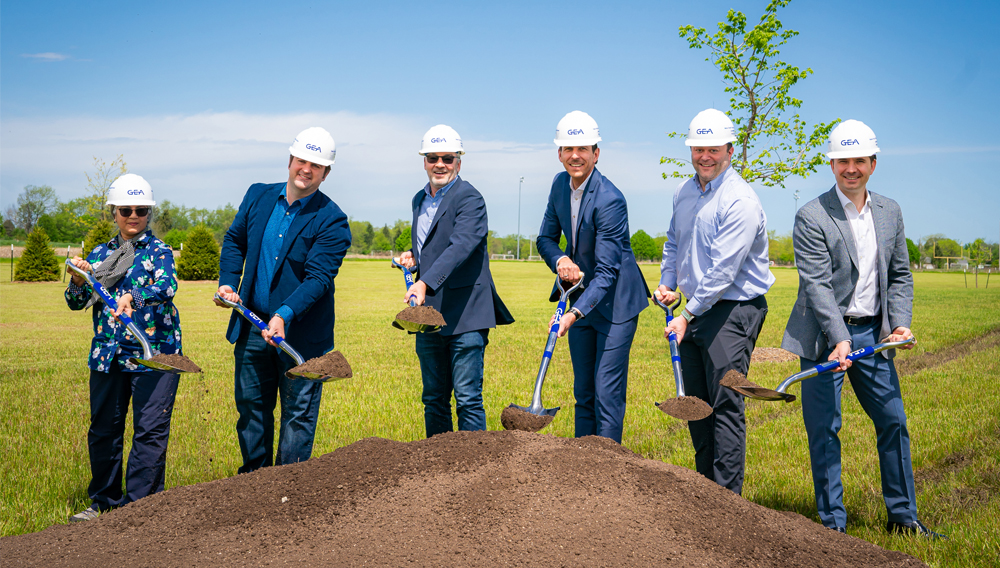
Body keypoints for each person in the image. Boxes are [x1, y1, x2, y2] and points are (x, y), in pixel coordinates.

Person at [781, 120, 943, 538]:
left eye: (859, 160)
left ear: (872, 163)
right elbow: (816, 287)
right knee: (825, 429)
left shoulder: (890, 211)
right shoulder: (811, 215)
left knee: (893, 420)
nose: (850, 168)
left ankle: (904, 518)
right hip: (822, 337)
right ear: (831, 164)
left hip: (874, 335)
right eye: (842, 161)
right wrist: (839, 339)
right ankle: (832, 526)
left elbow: (901, 274)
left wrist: (901, 323)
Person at [215, 127, 351, 474]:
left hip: (300, 337)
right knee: (251, 411)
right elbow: (234, 241)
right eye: (302, 160)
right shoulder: (258, 196)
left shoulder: (332, 220)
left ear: (326, 173)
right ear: (290, 160)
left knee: (297, 419)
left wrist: (284, 315)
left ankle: (286, 491)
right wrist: (229, 284)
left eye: (316, 165)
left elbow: (318, 279)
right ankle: (254, 482)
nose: (306, 169)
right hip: (251, 326)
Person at [656, 109, 774, 495]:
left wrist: (687, 314)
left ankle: (727, 501)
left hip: (733, 311)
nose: (704, 156)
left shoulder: (740, 200)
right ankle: (704, 492)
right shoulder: (684, 191)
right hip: (697, 309)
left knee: (725, 404)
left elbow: (723, 272)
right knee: (695, 403)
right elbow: (674, 242)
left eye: (712, 149)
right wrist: (669, 283)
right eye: (697, 148)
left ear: (729, 149)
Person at [65, 174, 183, 522]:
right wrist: (76, 279)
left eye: (141, 210)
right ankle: (103, 502)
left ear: (149, 213)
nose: (134, 216)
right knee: (103, 430)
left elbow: (167, 286)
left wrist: (134, 295)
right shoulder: (100, 255)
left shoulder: (159, 251)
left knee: (150, 431)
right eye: (126, 209)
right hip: (108, 353)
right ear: (114, 212)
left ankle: (140, 511)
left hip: (154, 356)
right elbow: (77, 302)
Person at [536, 111, 650, 444]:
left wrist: (573, 313)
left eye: (583, 148)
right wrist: (560, 260)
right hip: (582, 295)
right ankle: (581, 471)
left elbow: (607, 272)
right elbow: (544, 239)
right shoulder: (559, 185)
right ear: (559, 153)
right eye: (568, 148)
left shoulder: (610, 200)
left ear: (596, 153)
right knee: (583, 391)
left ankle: (609, 474)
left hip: (616, 304)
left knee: (606, 393)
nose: (575, 155)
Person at [397, 125, 514, 437]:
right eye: (433, 157)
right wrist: (414, 257)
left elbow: (460, 246)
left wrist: (423, 283)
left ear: (458, 162)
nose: (440, 164)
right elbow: (433, 244)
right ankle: (438, 466)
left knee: (467, 399)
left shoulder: (470, 199)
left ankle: (475, 470)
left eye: (447, 158)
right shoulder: (418, 200)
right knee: (433, 398)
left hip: (466, 314)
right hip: (428, 316)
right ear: (424, 161)